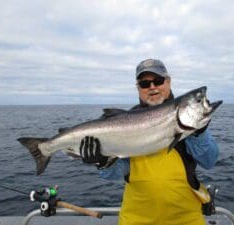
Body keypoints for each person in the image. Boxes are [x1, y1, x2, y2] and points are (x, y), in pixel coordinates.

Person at [80, 59, 219, 225]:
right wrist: (102, 162)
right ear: (138, 89)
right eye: (145, 83)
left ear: (168, 82)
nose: (152, 87)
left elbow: (209, 161)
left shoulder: (186, 120)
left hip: (186, 217)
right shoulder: (124, 122)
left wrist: (200, 133)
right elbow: (115, 174)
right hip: (136, 219)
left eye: (158, 81)